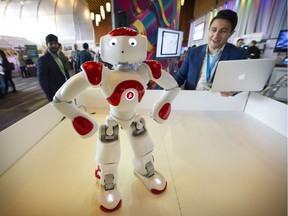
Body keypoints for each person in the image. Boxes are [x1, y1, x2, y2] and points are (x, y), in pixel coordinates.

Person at [174, 9, 247, 97]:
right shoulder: (193, 52)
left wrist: (234, 91)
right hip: (191, 99)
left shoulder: (238, 55)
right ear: (209, 29)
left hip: (216, 103)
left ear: (231, 33)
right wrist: (168, 91)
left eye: (223, 31)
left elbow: (241, 84)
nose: (216, 36)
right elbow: (180, 77)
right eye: (213, 30)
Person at [37, 34, 70, 101]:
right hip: (55, 93)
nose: (53, 45)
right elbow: (43, 81)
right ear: (47, 45)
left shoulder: (59, 57)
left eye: (55, 43)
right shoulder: (43, 59)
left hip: (65, 89)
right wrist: (51, 98)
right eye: (51, 43)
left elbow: (64, 72)